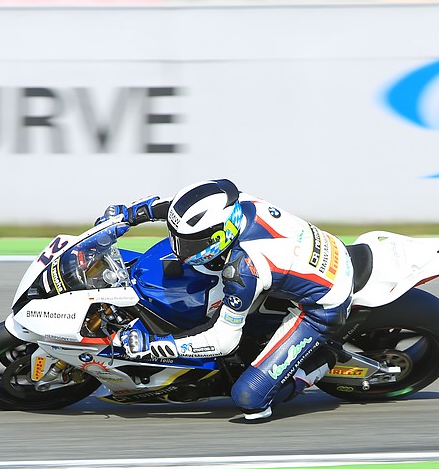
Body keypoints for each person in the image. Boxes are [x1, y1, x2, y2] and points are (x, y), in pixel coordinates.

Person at [97, 178, 353, 421]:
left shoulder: (244, 268)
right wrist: (127, 215)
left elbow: (224, 341)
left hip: (323, 306)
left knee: (249, 398)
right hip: (321, 253)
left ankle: (321, 361)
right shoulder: (232, 204)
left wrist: (154, 346)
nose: (179, 248)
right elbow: (175, 206)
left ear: (220, 236)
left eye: (189, 243)